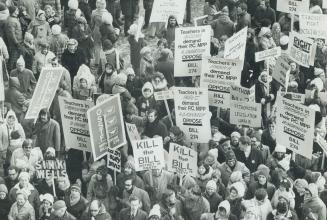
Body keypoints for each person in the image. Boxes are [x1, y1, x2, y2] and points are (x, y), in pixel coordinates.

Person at [5, 6, 23, 71]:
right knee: (13, 58)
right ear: (13, 11)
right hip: (14, 44)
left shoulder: (13, 19)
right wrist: (17, 43)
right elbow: (11, 34)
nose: (18, 11)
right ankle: (11, 73)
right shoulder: (11, 21)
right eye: (16, 10)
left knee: (16, 58)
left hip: (17, 43)